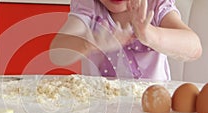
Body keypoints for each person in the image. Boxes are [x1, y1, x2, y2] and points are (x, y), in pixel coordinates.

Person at [49, 0, 202, 80]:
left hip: (150, 110)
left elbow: (194, 48)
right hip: (99, 112)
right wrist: (89, 42)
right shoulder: (90, 6)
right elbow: (56, 54)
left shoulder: (155, 5)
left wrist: (149, 34)